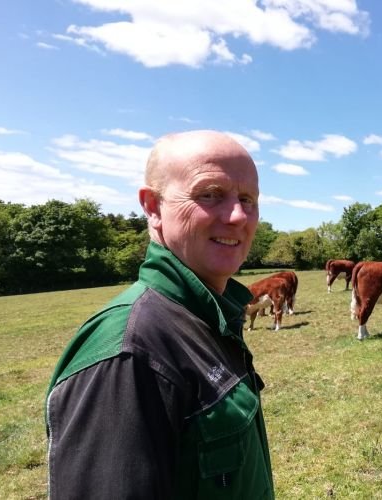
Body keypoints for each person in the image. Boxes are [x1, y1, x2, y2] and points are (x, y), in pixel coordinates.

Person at [45, 130, 274, 498]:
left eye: (248, 199)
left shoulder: (207, 319)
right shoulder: (129, 351)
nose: (237, 216)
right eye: (209, 194)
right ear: (153, 206)